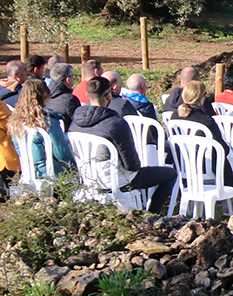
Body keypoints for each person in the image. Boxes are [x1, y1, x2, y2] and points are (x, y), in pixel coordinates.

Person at [70, 76, 177, 213]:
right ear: (108, 96)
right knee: (170, 174)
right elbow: (132, 165)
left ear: (87, 95)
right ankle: (151, 215)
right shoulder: (115, 123)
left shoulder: (75, 122)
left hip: (88, 179)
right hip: (115, 181)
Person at [7, 79, 76, 180]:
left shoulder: (16, 121)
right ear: (45, 96)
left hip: (30, 172)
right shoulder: (48, 121)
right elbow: (62, 155)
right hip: (52, 173)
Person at [173, 81, 228, 146]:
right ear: (200, 99)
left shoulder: (174, 116)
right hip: (205, 156)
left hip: (180, 155)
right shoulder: (207, 121)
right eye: (205, 94)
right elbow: (222, 148)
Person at [45, 62, 81, 130]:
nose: (73, 78)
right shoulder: (70, 99)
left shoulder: (45, 95)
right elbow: (78, 122)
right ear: (67, 80)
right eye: (72, 76)